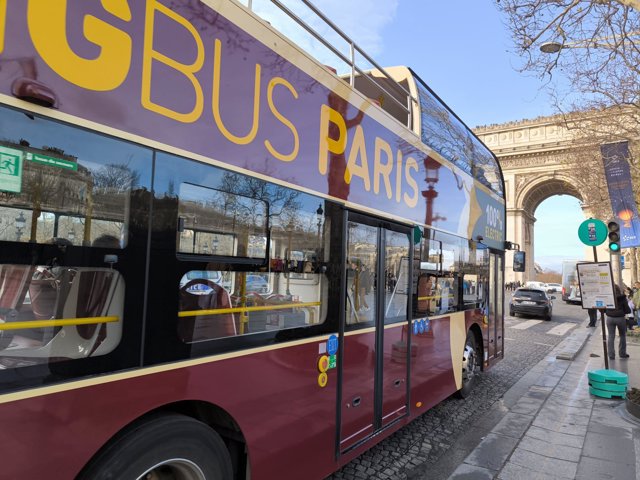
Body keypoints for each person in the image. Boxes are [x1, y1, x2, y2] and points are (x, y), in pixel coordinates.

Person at [605, 284, 631, 360]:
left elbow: (604, 308)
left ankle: (611, 355)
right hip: (620, 318)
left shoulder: (608, 297)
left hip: (609, 318)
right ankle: (622, 353)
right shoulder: (623, 298)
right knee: (622, 335)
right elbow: (627, 310)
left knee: (611, 336)